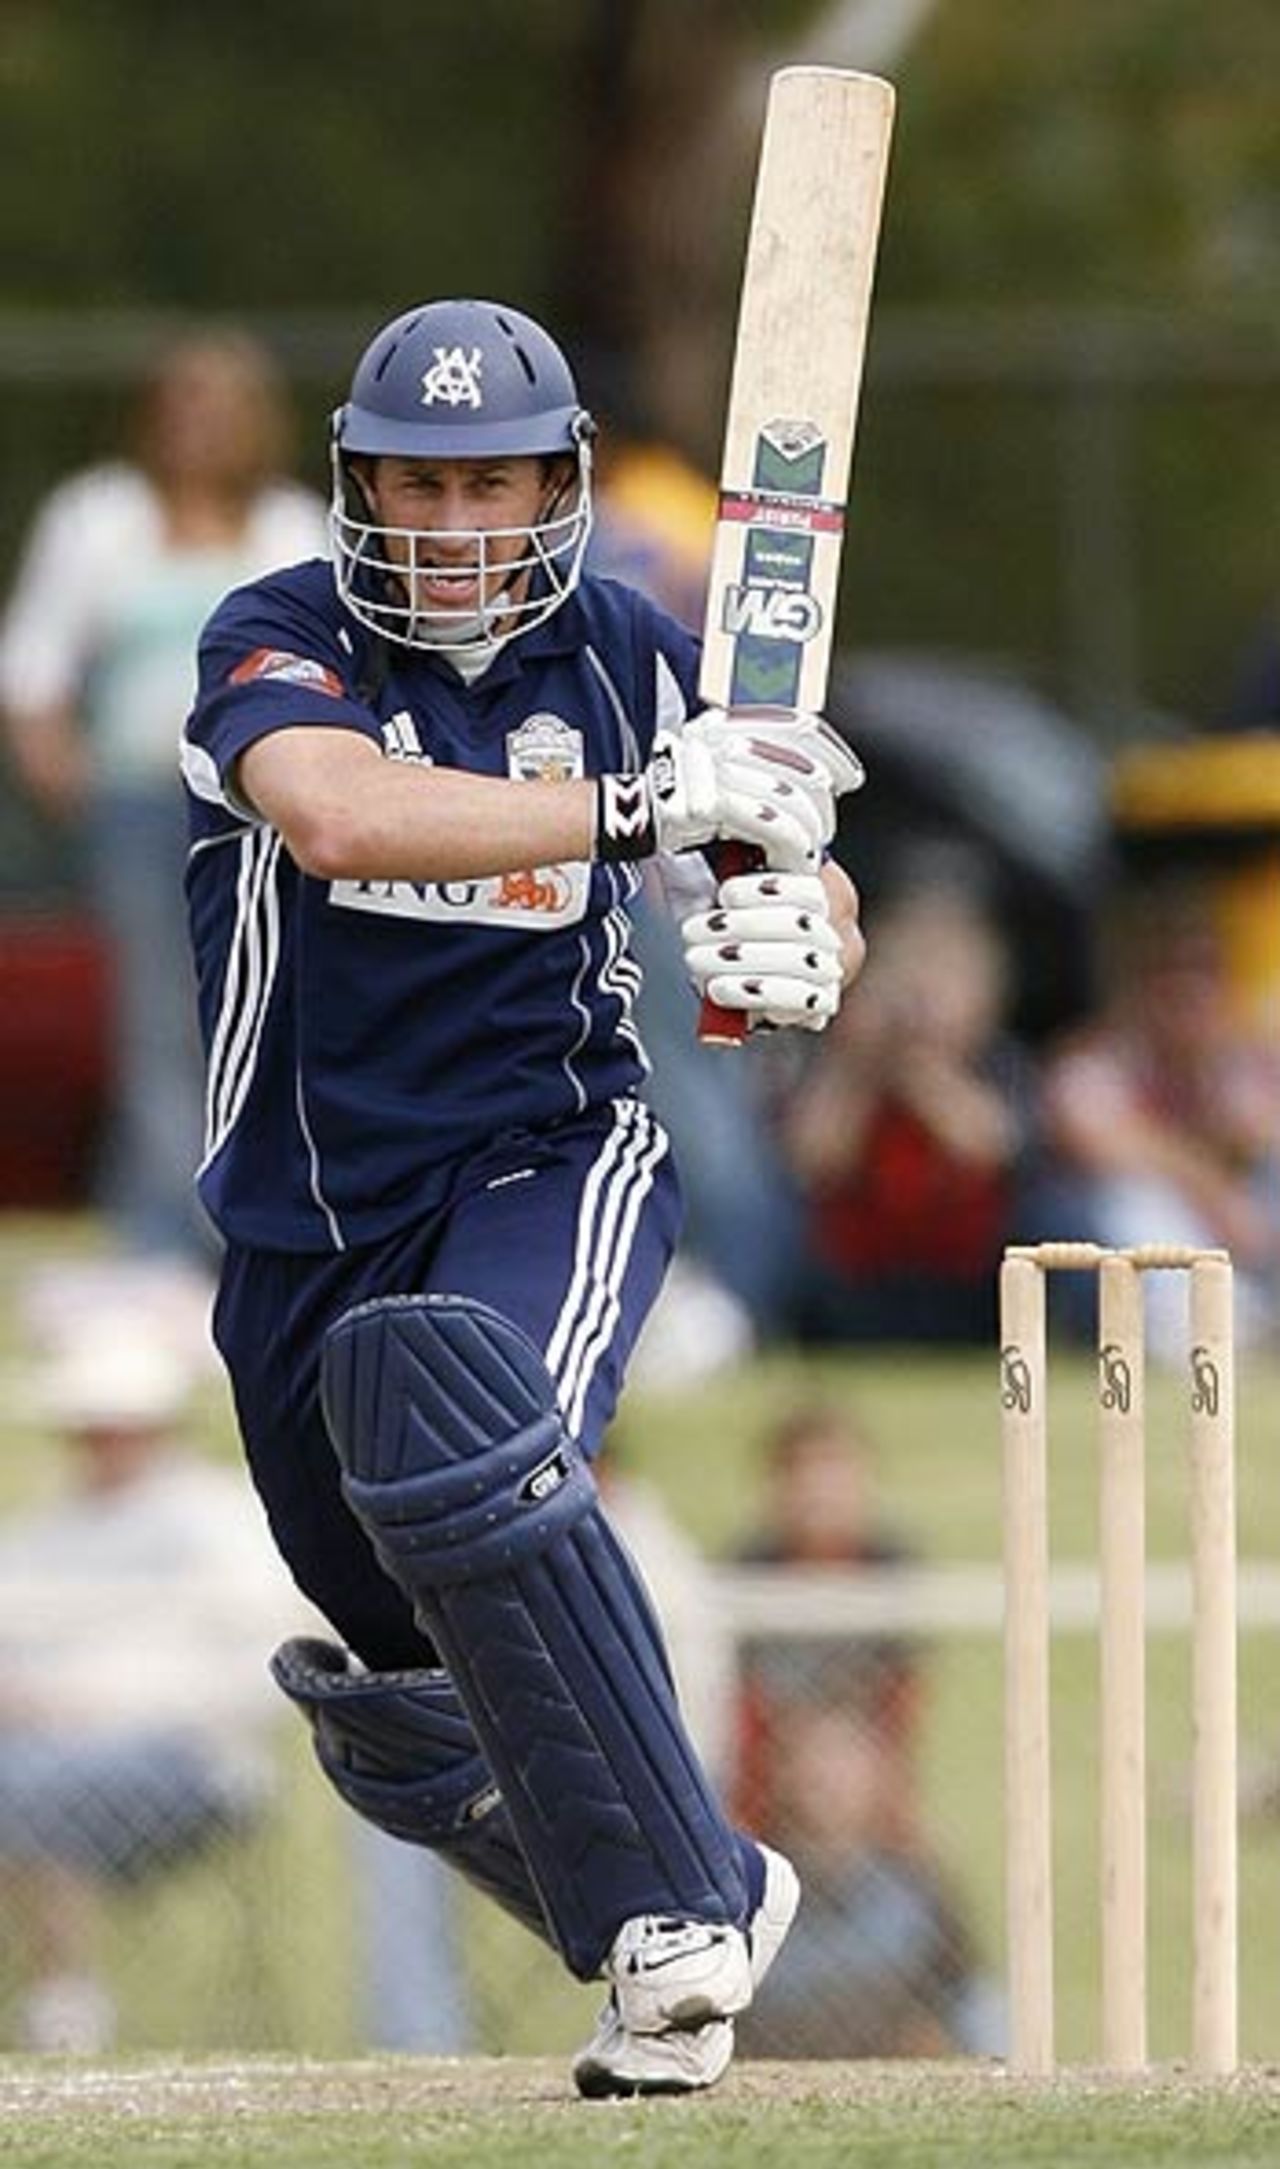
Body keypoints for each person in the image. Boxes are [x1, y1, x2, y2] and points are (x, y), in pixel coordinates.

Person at [179, 296, 866, 2098]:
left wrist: (802, 935)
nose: (460, 525)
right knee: (401, 1714)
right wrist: (642, 810)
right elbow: (336, 817)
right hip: (297, 1230)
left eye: (496, 485)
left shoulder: (631, 646)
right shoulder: (276, 638)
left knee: (457, 1402)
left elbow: (783, 862)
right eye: (421, 483)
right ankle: (703, 1886)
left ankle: (670, 1932)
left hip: (551, 1153)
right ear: (360, 484)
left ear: (560, 481)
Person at [0, 329, 328, 1262]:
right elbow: (31, 667)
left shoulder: (293, 529)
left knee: (259, 1014)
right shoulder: (95, 519)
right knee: (155, 1019)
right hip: (141, 808)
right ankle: (158, 1235)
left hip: (267, 816)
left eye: (220, 403)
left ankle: (251, 1224)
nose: (199, 421)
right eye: (181, 399)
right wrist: (66, 777)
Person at [0, 1335, 306, 2053]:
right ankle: (63, 2000)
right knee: (30, 1785)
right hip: (43, 1759)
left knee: (24, 1787)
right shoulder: (43, 1536)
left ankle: (62, 2001)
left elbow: (265, 1668)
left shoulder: (221, 1520)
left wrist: (87, 1701)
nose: (100, 1442)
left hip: (191, 1759)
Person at [728, 1403, 1004, 2059]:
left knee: (941, 1929)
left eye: (839, 1477)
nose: (824, 1498)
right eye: (808, 1480)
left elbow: (899, 1710)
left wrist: (880, 1805)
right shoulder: (747, 1575)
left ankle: (999, 2062)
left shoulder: (888, 1570)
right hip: (770, 1815)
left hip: (868, 1815)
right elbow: (743, 1717)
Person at [777, 859, 1037, 1344]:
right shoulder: (843, 1065)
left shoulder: (1000, 1065)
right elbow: (811, 1158)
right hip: (854, 1285)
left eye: (945, 974)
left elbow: (989, 1148)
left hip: (969, 1282)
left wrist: (915, 1068)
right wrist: (858, 1065)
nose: (922, 994)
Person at [1037, 875, 1280, 1358]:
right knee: (1126, 1195)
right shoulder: (1096, 1060)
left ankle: (1247, 1319)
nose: (1187, 995)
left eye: (1202, 974)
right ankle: (1188, 1326)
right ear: (1138, 985)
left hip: (1244, 1248)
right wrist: (1209, 1183)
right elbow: (1094, 1137)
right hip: (1144, 1258)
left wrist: (1214, 1078)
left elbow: (1261, 1135)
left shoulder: (1243, 1058)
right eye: (1169, 977)